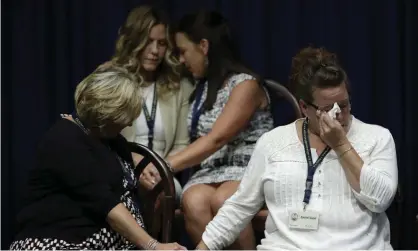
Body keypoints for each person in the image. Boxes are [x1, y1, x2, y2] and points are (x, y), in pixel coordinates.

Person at [195, 46, 398, 250]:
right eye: (327, 109)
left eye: (343, 106)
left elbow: (380, 199)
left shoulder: (377, 138)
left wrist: (341, 145)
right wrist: (203, 247)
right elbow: (239, 207)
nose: (338, 116)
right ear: (304, 107)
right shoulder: (272, 142)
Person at [9, 67, 186, 250]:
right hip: (62, 241)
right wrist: (153, 246)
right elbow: (106, 204)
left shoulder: (112, 140)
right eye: (125, 116)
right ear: (106, 112)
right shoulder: (64, 141)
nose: (130, 123)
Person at [141, 10, 274, 249]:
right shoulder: (200, 87)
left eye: (183, 51)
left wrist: (165, 166)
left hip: (248, 167)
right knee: (193, 201)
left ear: (203, 45)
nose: (181, 60)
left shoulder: (246, 84)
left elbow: (216, 139)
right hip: (211, 170)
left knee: (225, 201)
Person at [99, 5, 194, 198]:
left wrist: (159, 169)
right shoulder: (110, 78)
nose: (154, 51)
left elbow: (182, 144)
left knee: (158, 190)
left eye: (161, 43)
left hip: (162, 172)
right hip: (119, 167)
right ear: (133, 41)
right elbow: (99, 137)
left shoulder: (180, 86)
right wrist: (133, 163)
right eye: (148, 42)